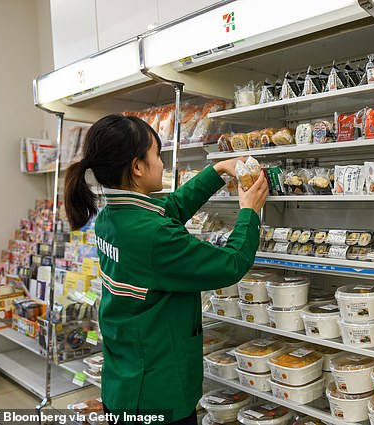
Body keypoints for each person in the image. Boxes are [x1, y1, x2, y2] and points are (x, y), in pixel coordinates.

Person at [64, 114, 268, 425]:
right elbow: (231, 264)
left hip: (124, 381)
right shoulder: (153, 236)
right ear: (137, 167)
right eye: (157, 155)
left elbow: (168, 211)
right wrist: (249, 213)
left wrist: (216, 172)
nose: (161, 164)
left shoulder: (111, 217)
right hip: (155, 394)